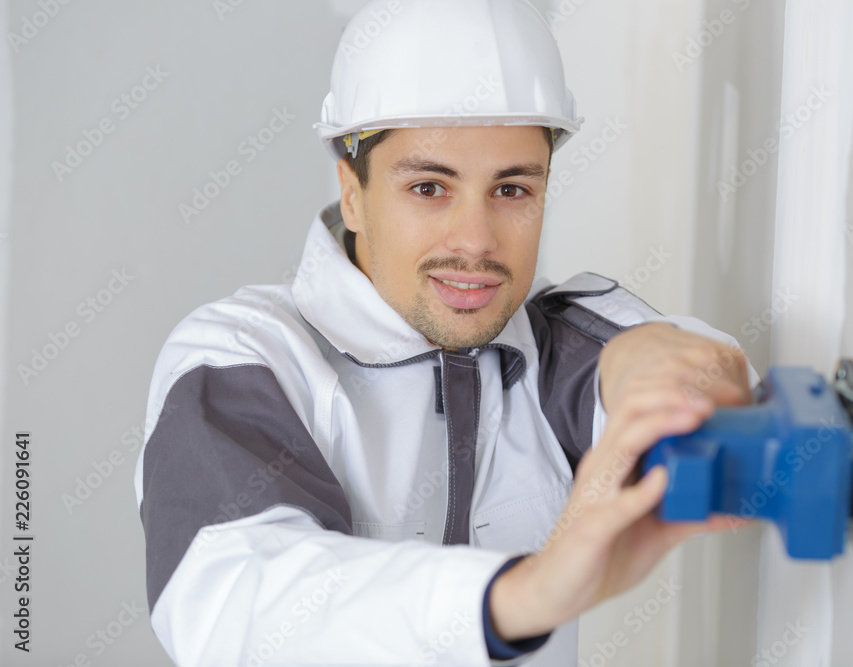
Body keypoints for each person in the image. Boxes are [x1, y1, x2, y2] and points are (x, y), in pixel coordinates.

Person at [134, 1, 757, 665]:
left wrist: (677, 380)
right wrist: (518, 596)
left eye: (512, 189)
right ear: (352, 190)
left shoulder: (552, 354)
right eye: (430, 187)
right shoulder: (245, 358)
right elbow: (241, 596)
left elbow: (675, 363)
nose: (476, 241)